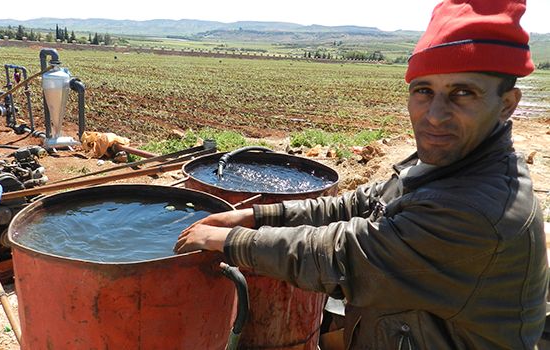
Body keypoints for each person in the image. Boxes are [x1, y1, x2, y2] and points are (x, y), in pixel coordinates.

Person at [174, 0, 549, 348]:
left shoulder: (478, 211)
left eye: (462, 93)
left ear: (506, 105)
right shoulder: (450, 163)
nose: (434, 115)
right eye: (423, 90)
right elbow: (358, 204)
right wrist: (256, 215)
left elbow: (342, 257)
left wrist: (229, 240)